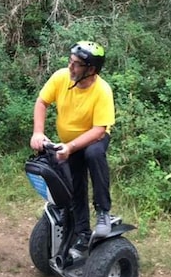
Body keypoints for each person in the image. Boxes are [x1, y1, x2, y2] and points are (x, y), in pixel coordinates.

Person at [30, 41, 115, 239]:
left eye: (76, 64)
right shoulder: (61, 77)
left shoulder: (102, 90)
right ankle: (81, 233)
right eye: (70, 61)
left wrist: (70, 146)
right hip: (69, 143)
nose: (70, 66)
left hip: (93, 138)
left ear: (91, 69)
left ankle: (103, 211)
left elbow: (99, 130)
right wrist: (38, 132)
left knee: (94, 154)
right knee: (76, 184)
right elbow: (42, 102)